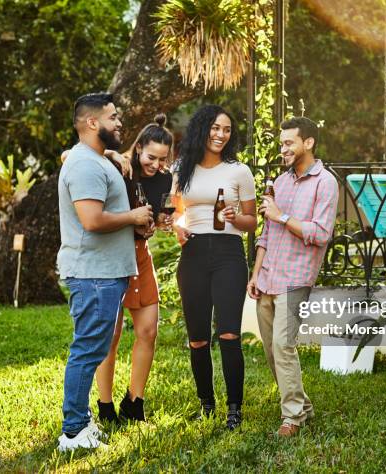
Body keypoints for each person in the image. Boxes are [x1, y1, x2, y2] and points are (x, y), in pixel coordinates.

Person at [56, 92, 152, 451]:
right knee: (88, 350)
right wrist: (134, 216)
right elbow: (92, 220)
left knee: (92, 348)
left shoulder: (95, 159)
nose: (120, 122)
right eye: (113, 117)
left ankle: (79, 423)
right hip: (93, 275)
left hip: (105, 273)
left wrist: (135, 225)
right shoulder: (85, 165)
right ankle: (73, 432)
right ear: (93, 122)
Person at [247, 116, 338, 437]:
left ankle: (292, 418)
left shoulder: (325, 182)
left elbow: (321, 232)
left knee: (284, 345)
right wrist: (255, 274)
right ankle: (303, 406)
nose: (282, 148)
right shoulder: (280, 182)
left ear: (308, 143)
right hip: (268, 275)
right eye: (281, 143)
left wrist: (281, 215)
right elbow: (266, 234)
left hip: (297, 276)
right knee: (272, 351)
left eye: (289, 143)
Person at [172, 104, 257, 430]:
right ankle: (206, 403)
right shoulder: (183, 168)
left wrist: (238, 218)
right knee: (197, 338)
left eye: (226, 130)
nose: (221, 135)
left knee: (229, 333)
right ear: (202, 128)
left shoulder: (239, 171)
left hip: (228, 255)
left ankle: (234, 409)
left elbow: (252, 222)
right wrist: (178, 226)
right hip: (193, 254)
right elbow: (176, 211)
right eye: (215, 128)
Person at [94, 114, 174, 424]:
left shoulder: (165, 178)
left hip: (140, 255)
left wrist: (161, 222)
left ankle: (134, 402)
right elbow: (68, 156)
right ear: (138, 147)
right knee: (110, 335)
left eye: (162, 159)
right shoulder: (117, 166)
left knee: (148, 331)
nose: (156, 164)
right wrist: (112, 152)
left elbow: (156, 217)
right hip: (112, 256)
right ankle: (105, 405)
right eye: (151, 156)